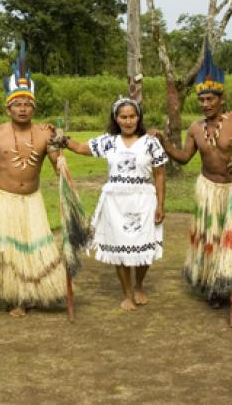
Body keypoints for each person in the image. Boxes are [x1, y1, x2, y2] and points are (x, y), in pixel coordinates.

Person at [151, 44, 232, 304]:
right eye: (201, 100)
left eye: (210, 99)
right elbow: (185, 158)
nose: (205, 104)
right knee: (212, 238)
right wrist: (164, 143)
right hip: (209, 189)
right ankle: (214, 284)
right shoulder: (195, 128)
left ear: (221, 99)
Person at [0, 44, 66, 317]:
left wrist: (62, 167)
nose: (22, 109)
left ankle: (34, 292)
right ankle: (15, 297)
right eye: (17, 105)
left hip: (32, 200)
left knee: (34, 246)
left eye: (27, 104)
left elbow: (55, 159)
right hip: (4, 200)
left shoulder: (45, 133)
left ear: (33, 107)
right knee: (9, 249)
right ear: (8, 108)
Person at [60, 98, 166, 311]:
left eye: (132, 116)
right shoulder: (109, 141)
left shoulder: (151, 143)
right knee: (120, 246)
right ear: (116, 119)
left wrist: (160, 205)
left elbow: (160, 175)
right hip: (115, 201)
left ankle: (139, 285)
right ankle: (127, 292)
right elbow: (81, 148)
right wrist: (62, 139)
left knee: (144, 246)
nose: (128, 121)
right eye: (123, 117)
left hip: (143, 199)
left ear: (139, 117)